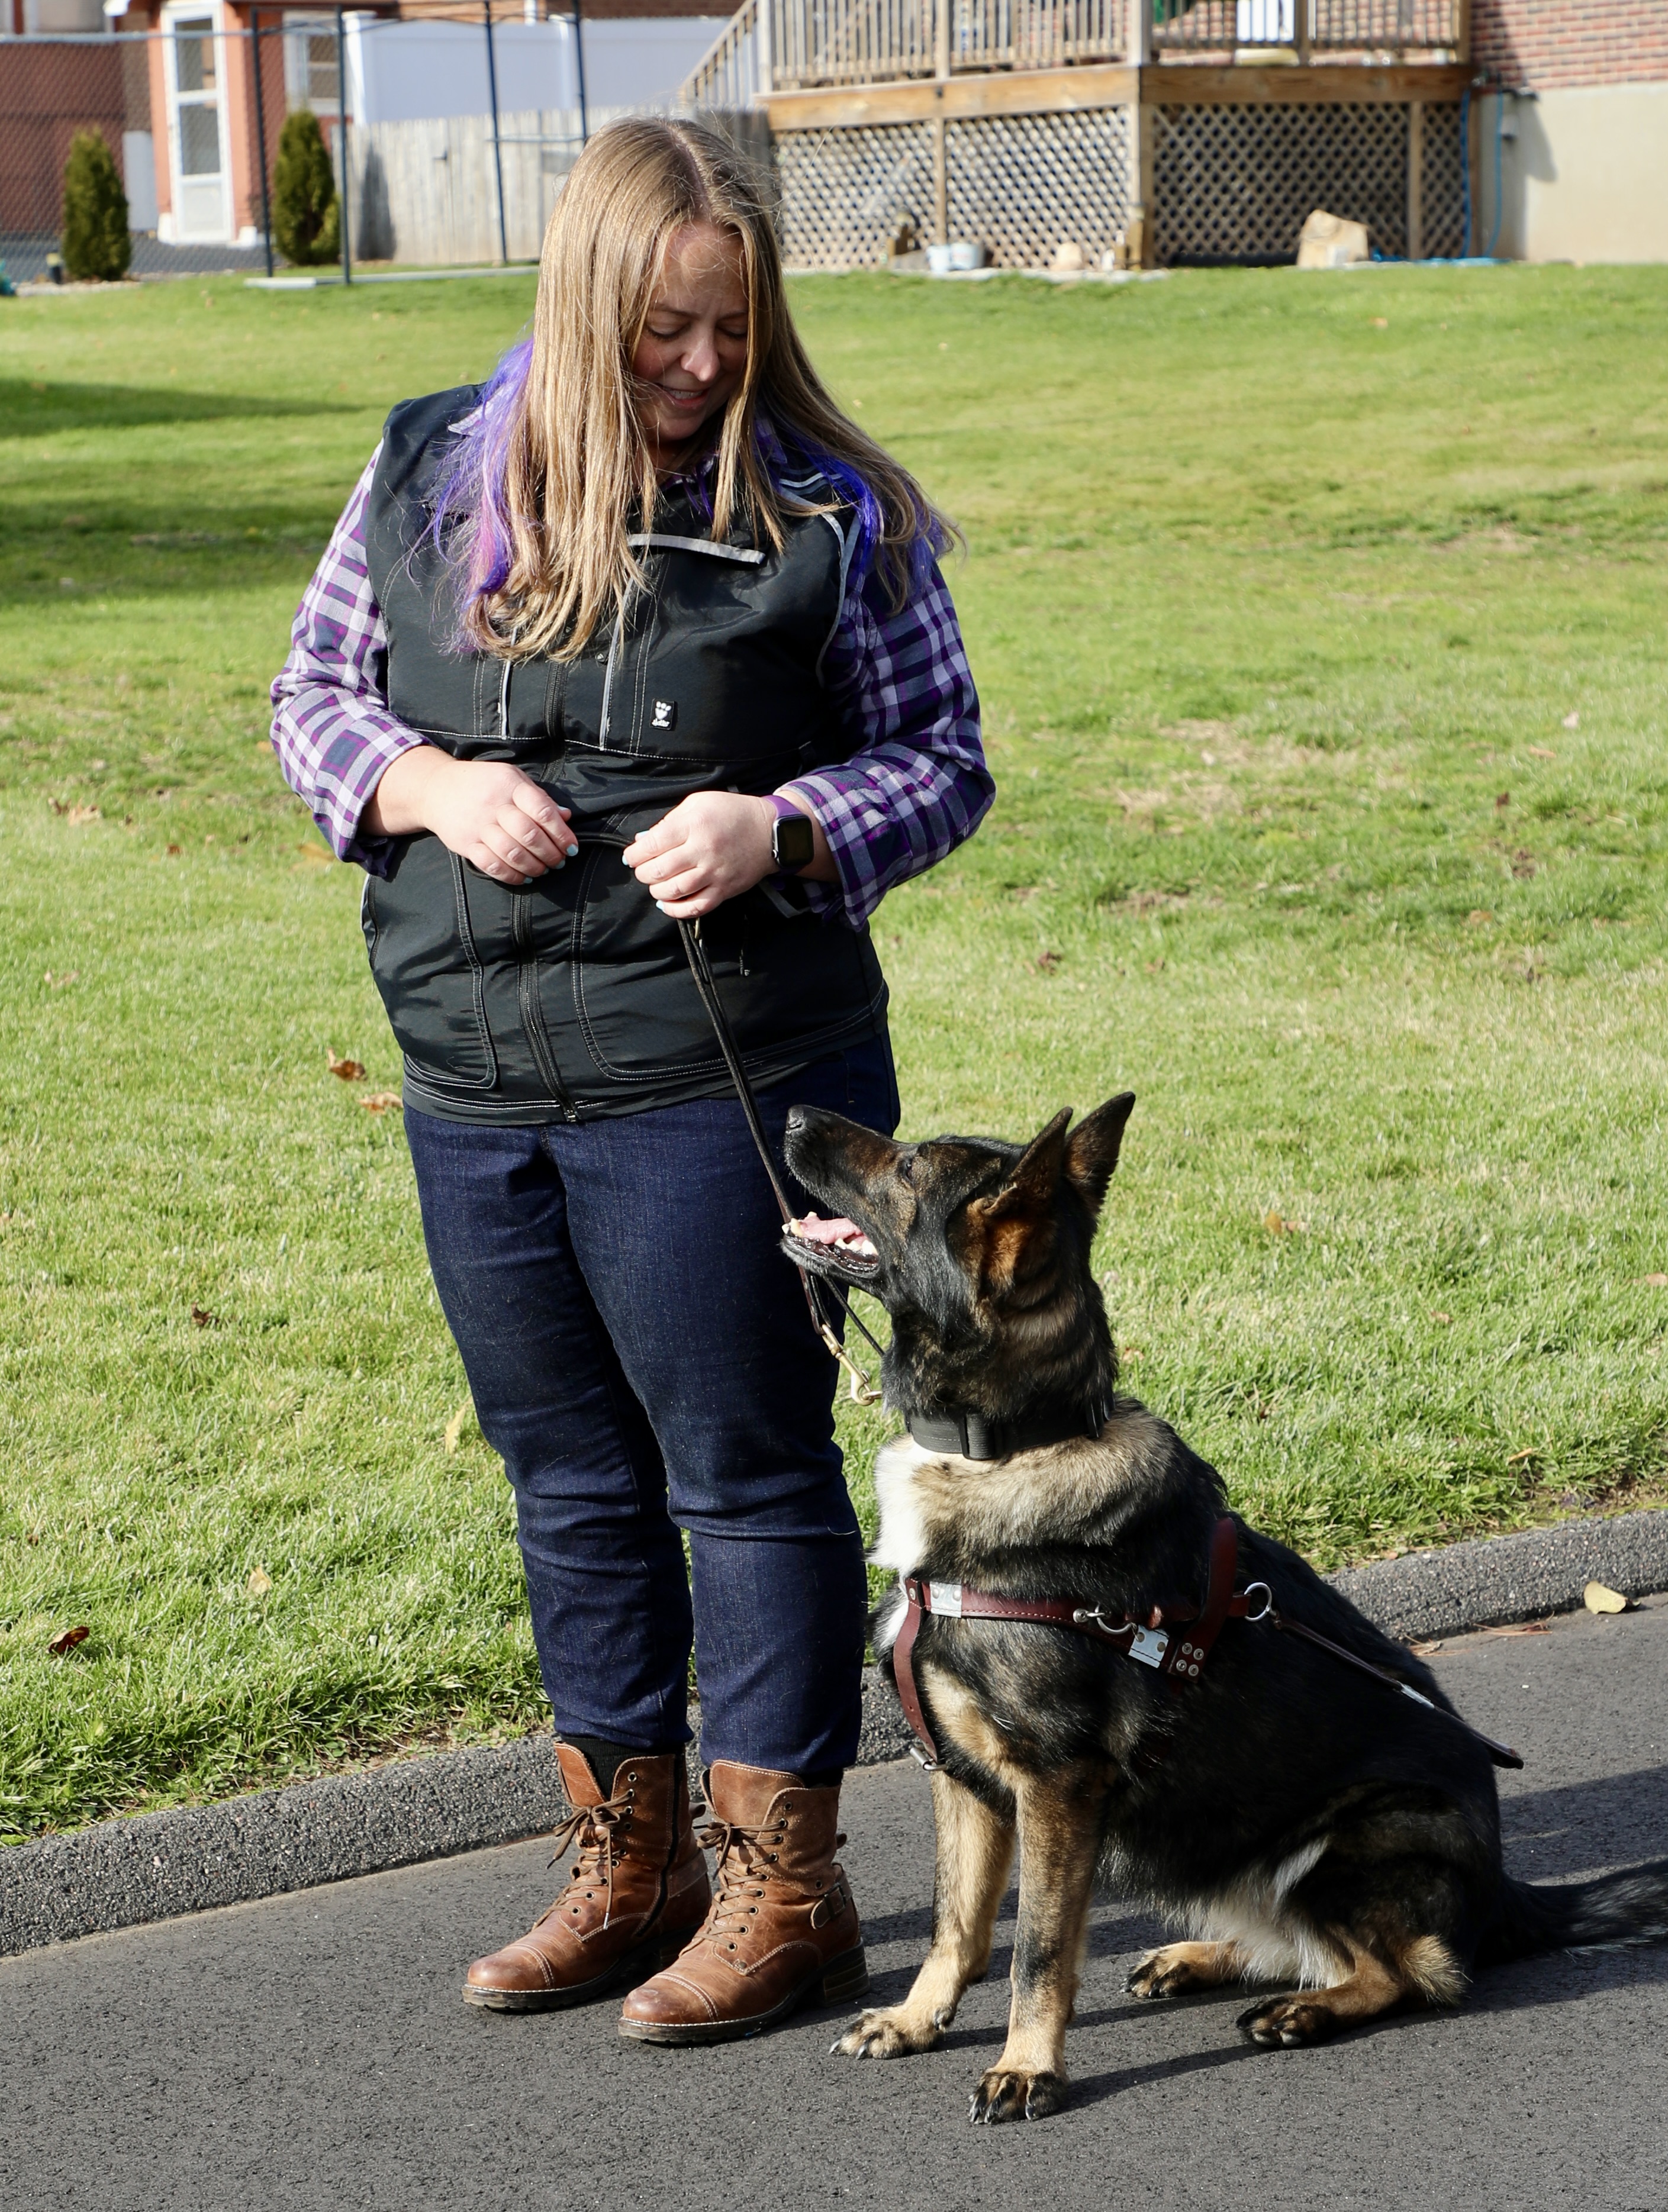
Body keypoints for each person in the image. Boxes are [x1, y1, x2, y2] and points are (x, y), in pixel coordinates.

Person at [269, 117, 990, 2045]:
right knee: (567, 1476)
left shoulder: (833, 515)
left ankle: (788, 1889)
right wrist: (419, 783)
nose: (695, 367)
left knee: (744, 1478)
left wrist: (787, 822)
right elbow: (313, 699)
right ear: (587, 304)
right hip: (471, 1070)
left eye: (729, 335)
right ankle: (632, 1857)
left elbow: (942, 757)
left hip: (722, 1075)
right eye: (664, 330)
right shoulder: (431, 467)